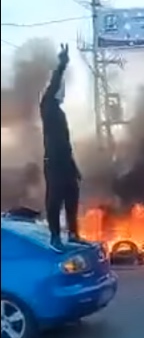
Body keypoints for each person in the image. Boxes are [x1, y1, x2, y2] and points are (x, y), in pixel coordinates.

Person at [40, 44, 84, 248]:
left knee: (72, 197)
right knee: (55, 200)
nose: (62, 92)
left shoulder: (60, 112)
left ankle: (73, 234)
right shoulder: (47, 105)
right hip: (53, 163)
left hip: (65, 162)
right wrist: (62, 65)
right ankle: (55, 236)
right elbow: (53, 84)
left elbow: (66, 145)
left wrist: (74, 168)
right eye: (60, 89)